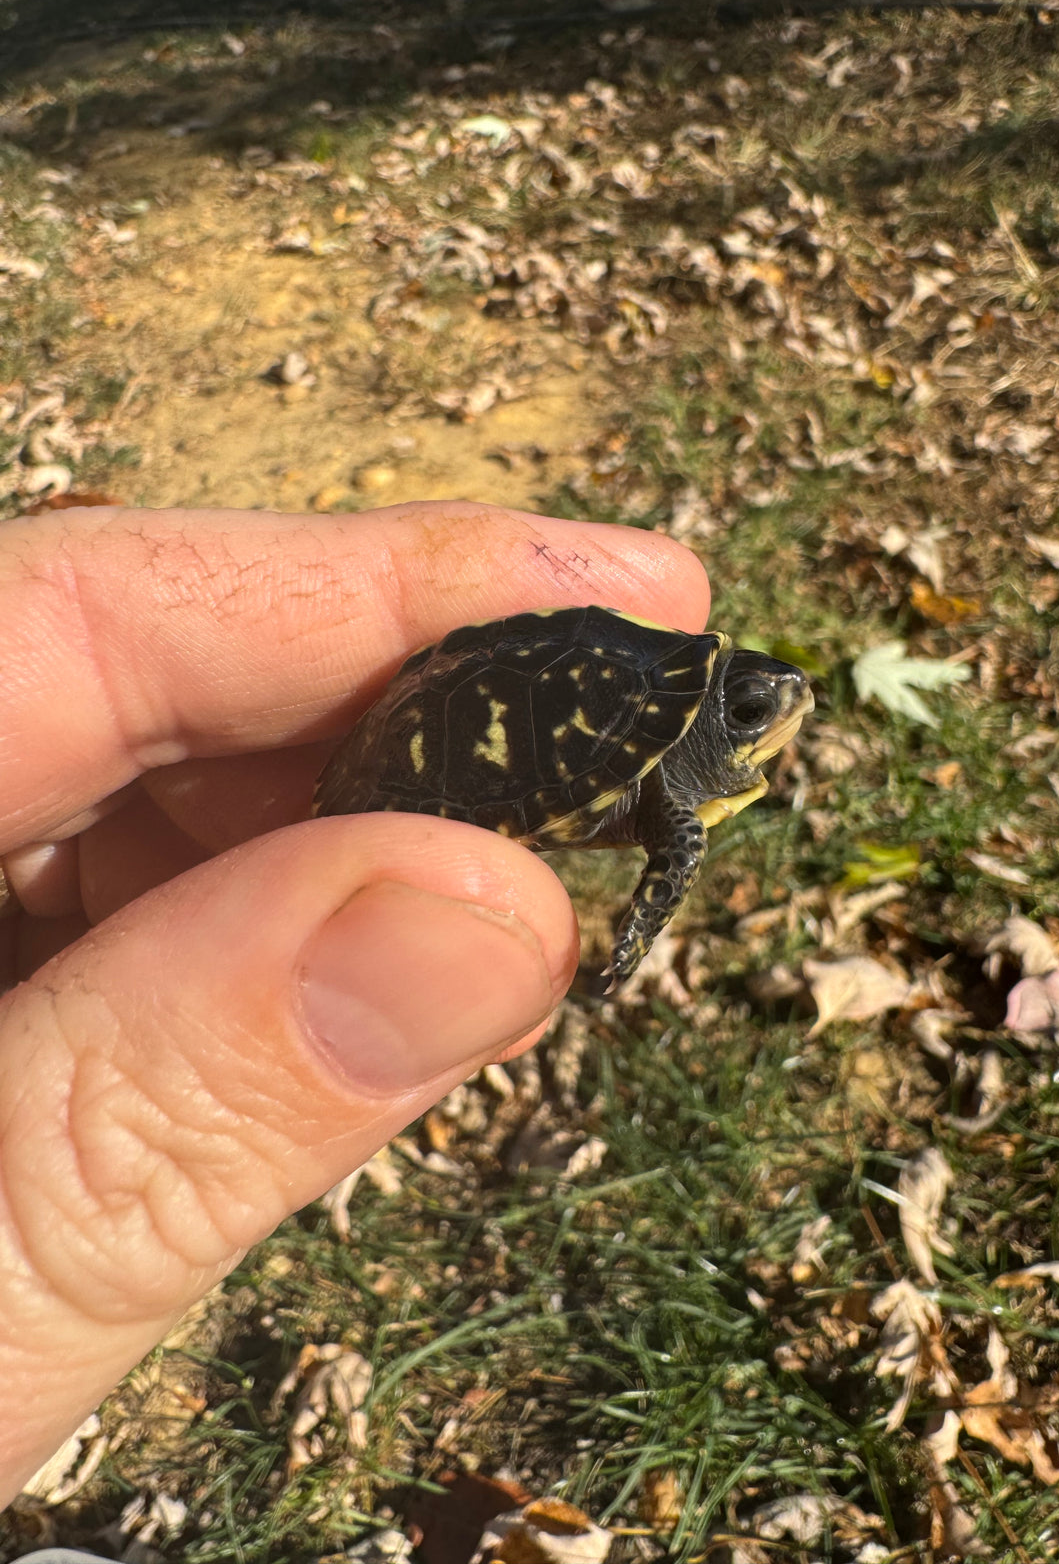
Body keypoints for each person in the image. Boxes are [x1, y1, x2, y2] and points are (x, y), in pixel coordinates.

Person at [0, 500, 709, 1505]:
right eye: (753, 711)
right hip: (424, 789)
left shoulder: (664, 720)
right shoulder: (670, 785)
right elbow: (668, 832)